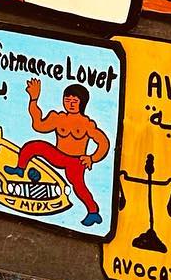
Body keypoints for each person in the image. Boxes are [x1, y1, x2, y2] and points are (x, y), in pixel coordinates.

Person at [17, 78, 110, 227]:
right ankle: (20, 169)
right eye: (67, 100)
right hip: (58, 154)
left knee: (79, 186)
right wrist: (33, 99)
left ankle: (93, 212)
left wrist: (92, 158)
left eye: (75, 100)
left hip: (75, 161)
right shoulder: (58, 118)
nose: (70, 103)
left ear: (82, 103)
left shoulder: (87, 124)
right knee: (33, 146)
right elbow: (38, 125)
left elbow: (103, 142)